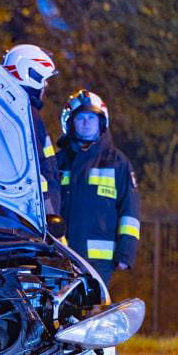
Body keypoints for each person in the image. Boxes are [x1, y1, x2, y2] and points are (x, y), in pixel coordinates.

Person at [56, 90, 140, 286]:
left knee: (93, 312)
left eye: (92, 118)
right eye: (81, 118)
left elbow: (130, 210)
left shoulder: (117, 162)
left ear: (102, 123)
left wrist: (125, 252)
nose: (86, 123)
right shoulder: (58, 162)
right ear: (70, 123)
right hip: (59, 254)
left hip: (99, 261)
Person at [2, 44, 60, 214]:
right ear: (32, 75)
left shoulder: (10, 110)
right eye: (44, 79)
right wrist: (49, 211)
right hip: (31, 214)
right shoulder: (26, 115)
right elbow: (41, 170)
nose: (45, 86)